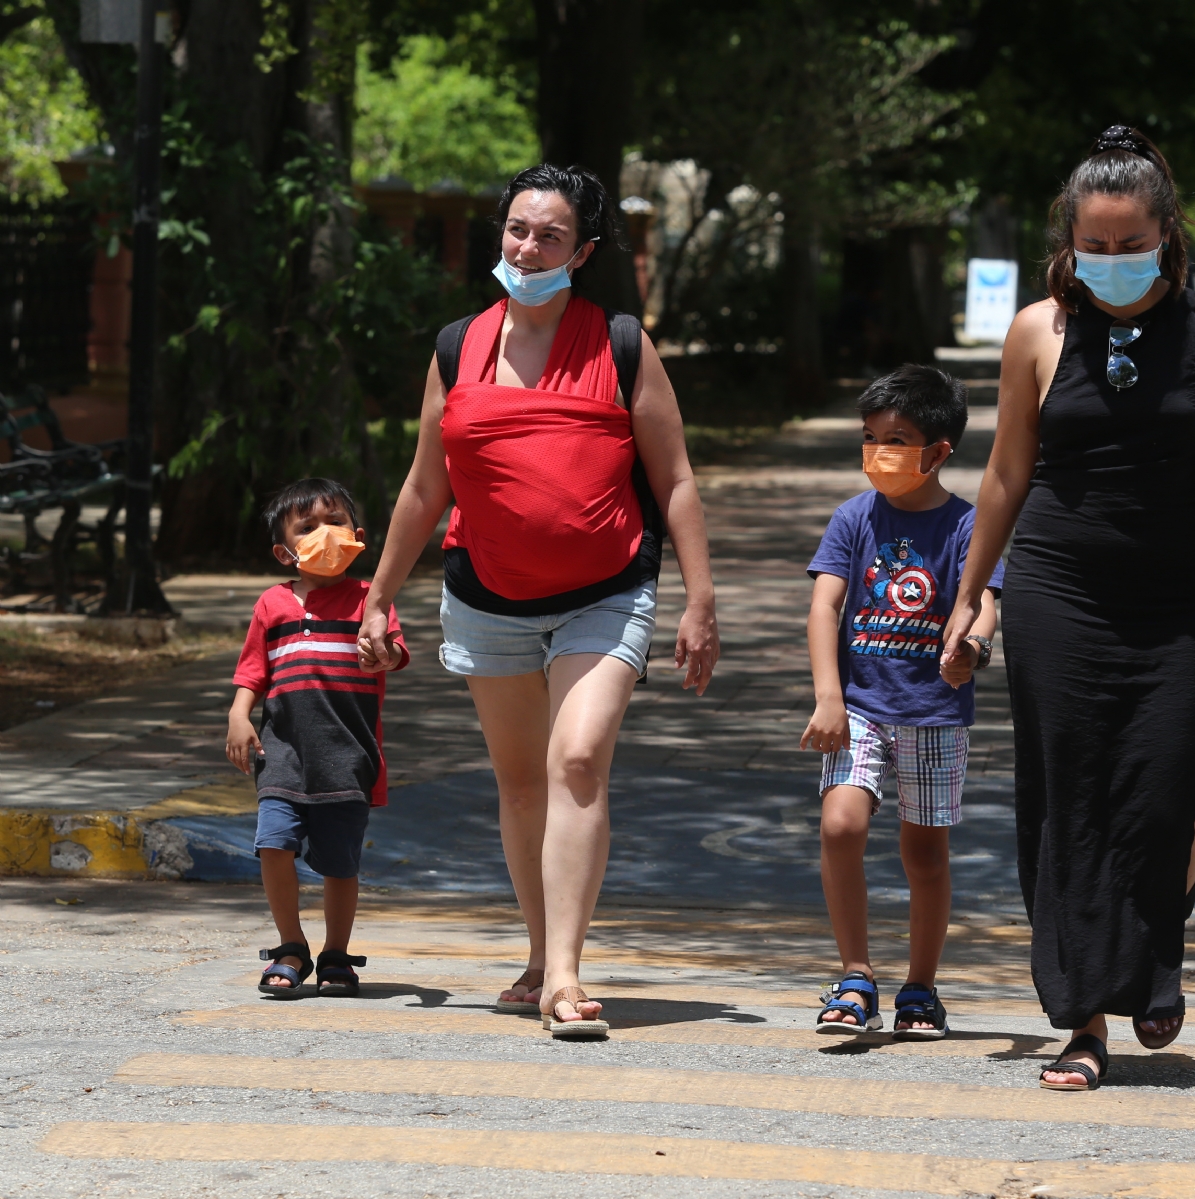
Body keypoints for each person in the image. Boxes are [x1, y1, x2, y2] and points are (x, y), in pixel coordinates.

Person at [942, 126, 1195, 1091]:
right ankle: (1085, 1017)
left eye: (1134, 245)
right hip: (1058, 589)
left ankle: (1154, 953)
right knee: (1071, 796)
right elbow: (1006, 475)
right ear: (1070, 240)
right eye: (1098, 245)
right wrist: (973, 597)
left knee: (1166, 789)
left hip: (1175, 598)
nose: (1115, 261)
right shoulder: (1037, 332)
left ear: (1167, 236)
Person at [357, 164, 719, 1037]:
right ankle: (536, 951)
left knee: (578, 762)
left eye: (549, 235)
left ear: (582, 251)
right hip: (488, 596)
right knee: (522, 784)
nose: (528, 247)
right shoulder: (457, 345)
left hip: (608, 588)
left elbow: (672, 479)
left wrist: (700, 599)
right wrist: (375, 597)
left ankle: (564, 973)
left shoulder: (621, 342)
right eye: (518, 229)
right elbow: (421, 488)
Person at [801, 365, 1003, 1040]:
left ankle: (921, 986)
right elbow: (825, 604)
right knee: (840, 826)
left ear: (939, 451)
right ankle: (855, 974)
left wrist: (970, 650)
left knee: (925, 856)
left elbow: (983, 603)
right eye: (869, 436)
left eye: (897, 438)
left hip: (935, 715)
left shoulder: (968, 524)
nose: (878, 452)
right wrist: (829, 696)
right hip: (859, 704)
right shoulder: (854, 518)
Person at [226, 478, 409, 999]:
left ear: (359, 535)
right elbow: (252, 671)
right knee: (273, 846)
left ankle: (335, 954)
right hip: (282, 753)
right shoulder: (273, 605)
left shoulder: (373, 601)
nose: (325, 534)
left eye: (335, 522)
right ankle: (291, 947)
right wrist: (239, 715)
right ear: (286, 551)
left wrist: (385, 653)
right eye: (308, 528)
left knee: (339, 862)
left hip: (347, 756)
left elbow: (393, 651)